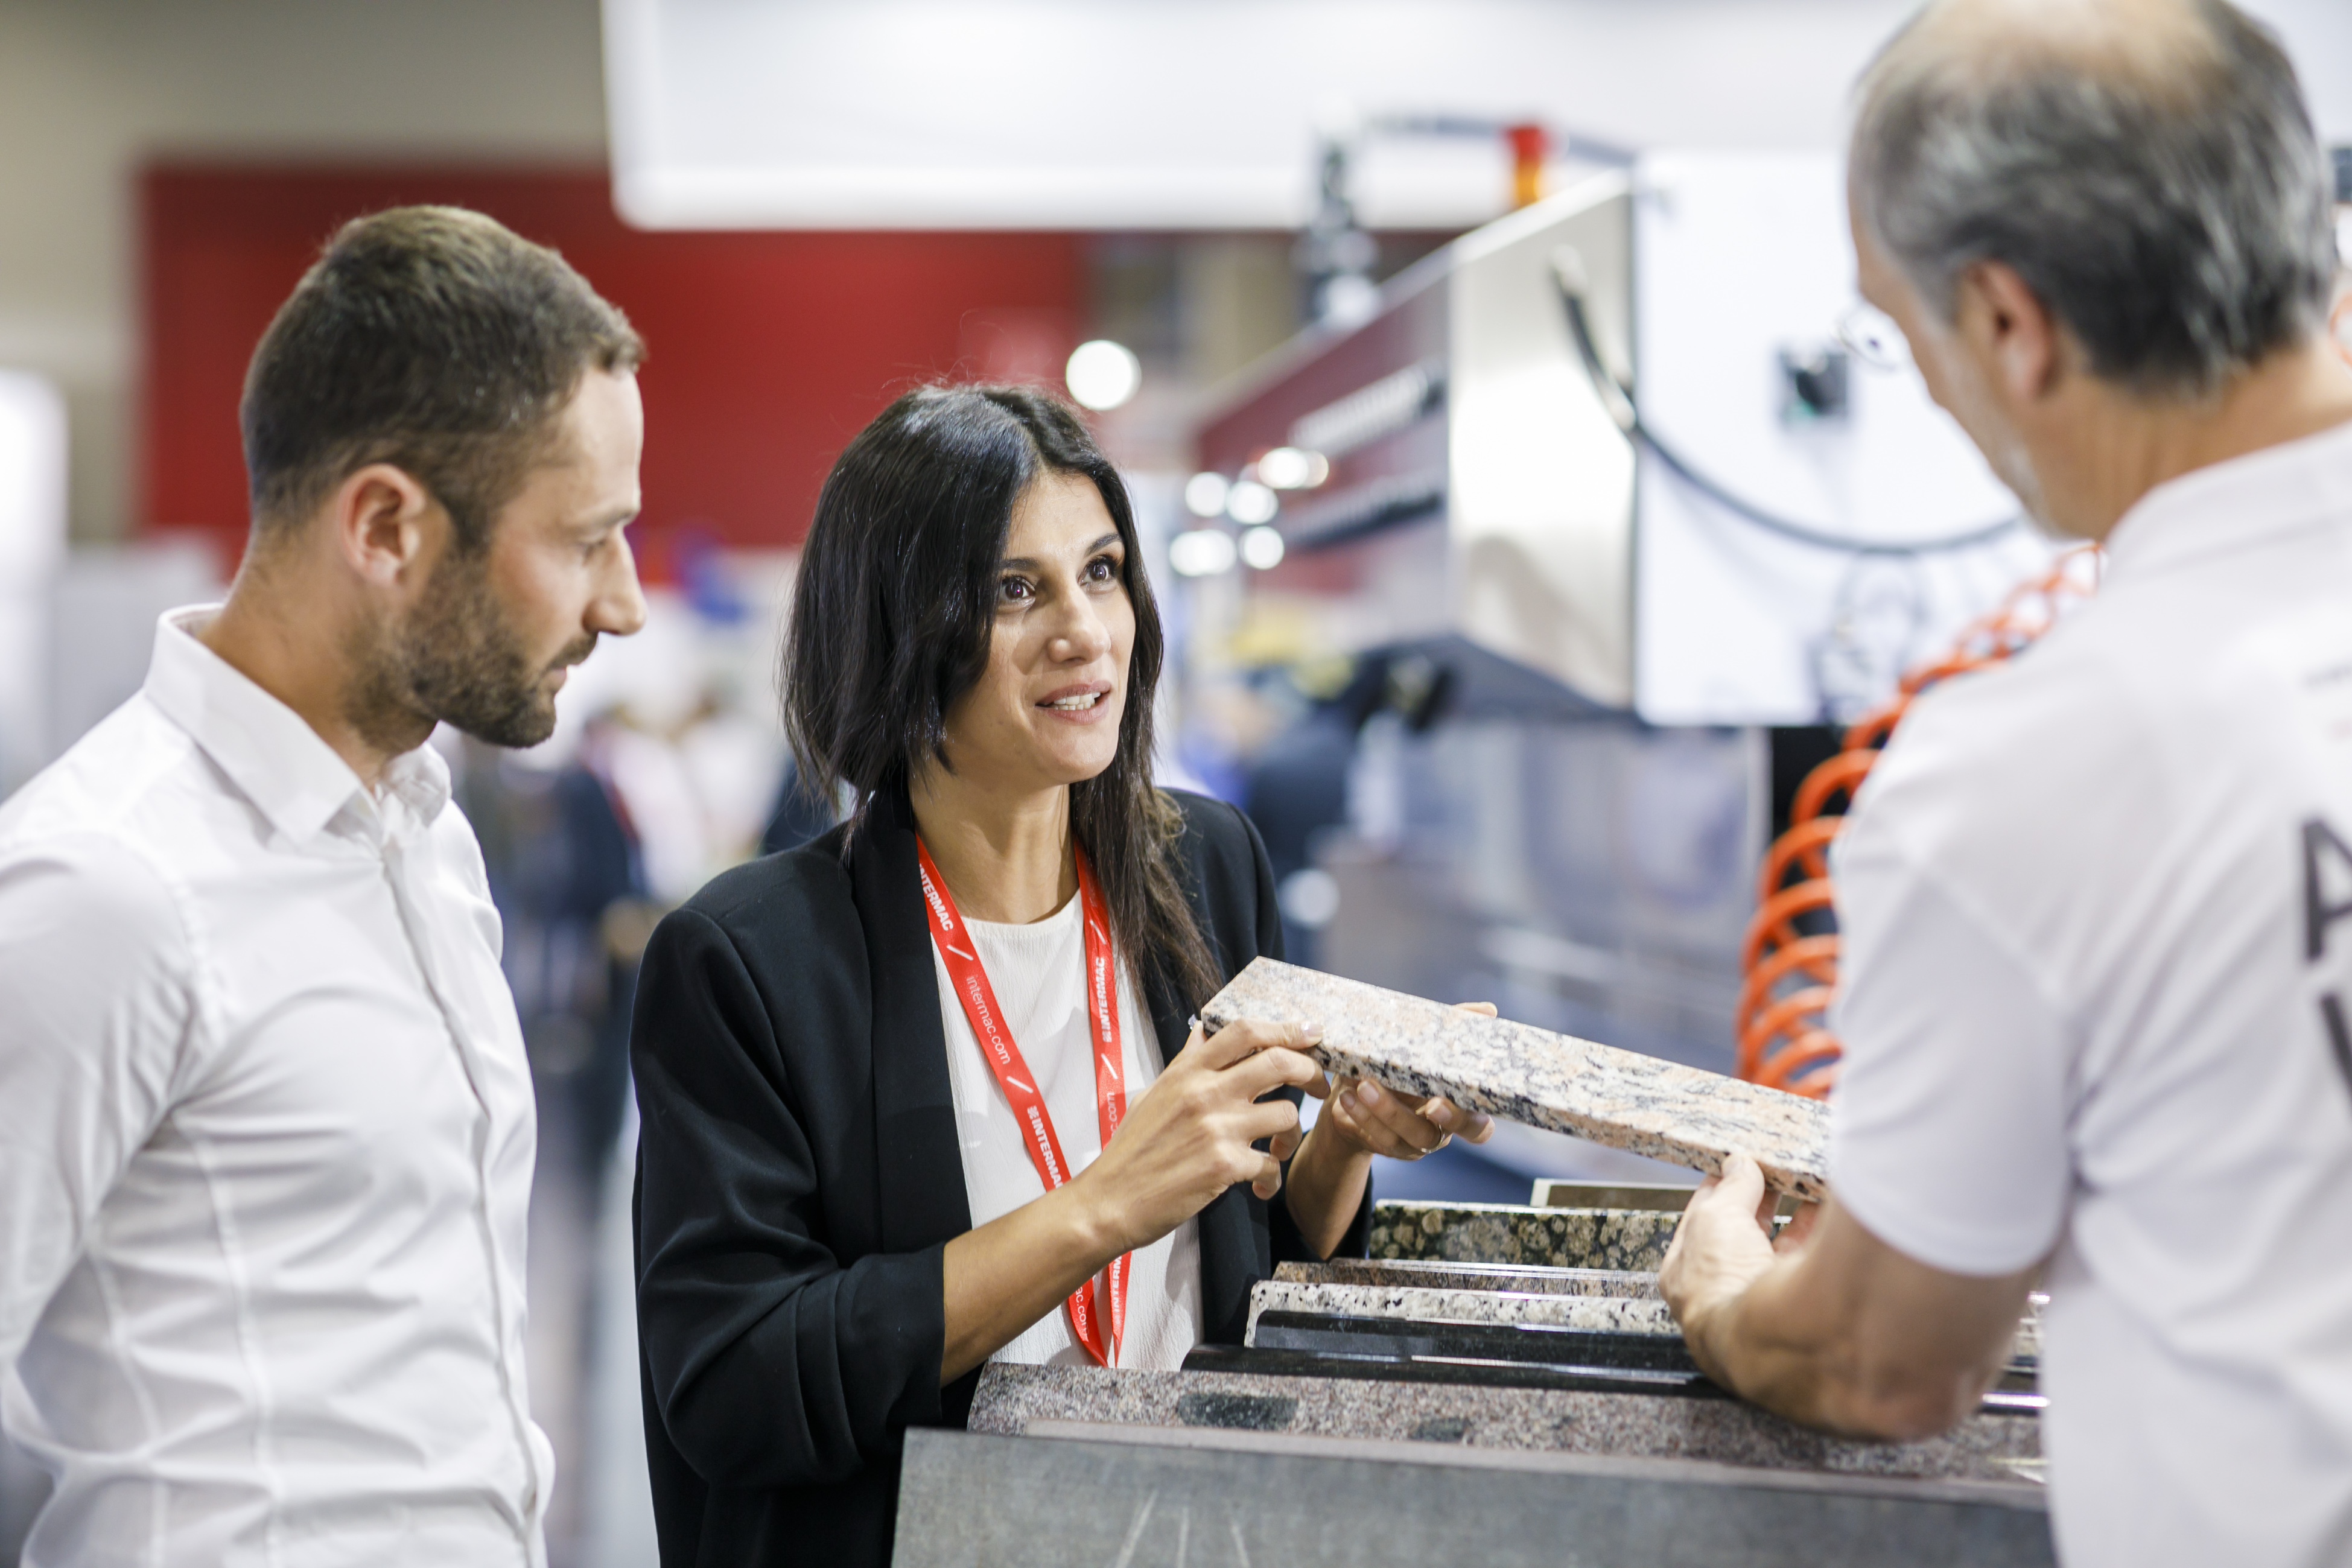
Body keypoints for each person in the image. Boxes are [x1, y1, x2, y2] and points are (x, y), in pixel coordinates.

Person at [1656, 3, 2352, 1564]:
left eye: (1908, 342)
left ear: (2012, 324)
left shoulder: (2036, 769)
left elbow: (1882, 1356)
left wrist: (1717, 1292)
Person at [629, 384, 1493, 1566]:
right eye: (1010, 589)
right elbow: (732, 1384)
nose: (1084, 630)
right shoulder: (751, 957)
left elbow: (1255, 1265)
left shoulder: (1206, 865)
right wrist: (1097, 1207)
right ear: (895, 625)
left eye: (1099, 571)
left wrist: (1337, 1142)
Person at [0, 207, 648, 1564]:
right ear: (386, 525)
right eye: (586, 539)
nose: (623, 602)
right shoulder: (106, 887)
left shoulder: (425, 837)